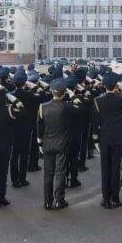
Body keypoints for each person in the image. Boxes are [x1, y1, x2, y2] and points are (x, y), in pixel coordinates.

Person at [93, 73, 122, 209]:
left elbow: (95, 122)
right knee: (116, 169)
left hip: (104, 138)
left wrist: (95, 138)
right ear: (116, 86)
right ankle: (115, 198)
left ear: (104, 85)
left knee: (105, 169)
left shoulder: (98, 101)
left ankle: (106, 199)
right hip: (119, 138)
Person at [38, 78, 71, 210]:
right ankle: (59, 200)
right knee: (60, 172)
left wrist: (40, 142)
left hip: (47, 143)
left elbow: (39, 127)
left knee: (48, 174)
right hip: (62, 143)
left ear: (51, 91)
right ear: (64, 92)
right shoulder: (67, 107)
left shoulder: (42, 107)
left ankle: (47, 201)